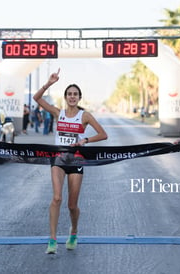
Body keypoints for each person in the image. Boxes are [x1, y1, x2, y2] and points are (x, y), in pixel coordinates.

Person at [33, 69, 108, 254]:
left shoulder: (85, 116)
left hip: (76, 160)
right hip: (58, 159)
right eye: (69, 94)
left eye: (75, 94)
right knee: (57, 198)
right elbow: (37, 98)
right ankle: (52, 240)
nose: (72, 97)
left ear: (79, 97)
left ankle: (73, 231)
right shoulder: (59, 113)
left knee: (72, 205)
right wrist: (49, 83)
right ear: (65, 97)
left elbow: (103, 134)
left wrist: (85, 140)